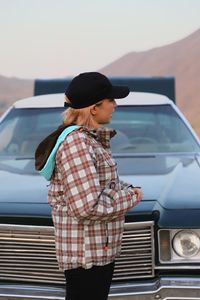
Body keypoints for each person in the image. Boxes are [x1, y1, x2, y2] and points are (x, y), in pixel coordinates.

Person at [35, 72, 143, 300]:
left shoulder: (88, 141)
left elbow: (104, 183)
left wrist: (129, 188)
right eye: (111, 101)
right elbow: (87, 207)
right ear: (94, 108)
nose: (115, 106)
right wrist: (132, 197)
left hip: (95, 252)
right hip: (87, 258)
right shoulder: (76, 145)